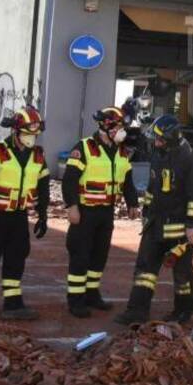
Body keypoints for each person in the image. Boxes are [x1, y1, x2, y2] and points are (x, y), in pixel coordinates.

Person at [115, 115, 193, 326]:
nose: (156, 142)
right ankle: (137, 311)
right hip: (155, 224)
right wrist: (146, 210)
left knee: (182, 274)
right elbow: (152, 187)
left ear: (172, 138)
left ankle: (186, 310)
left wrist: (192, 225)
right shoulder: (158, 156)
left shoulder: (189, 161)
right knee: (144, 269)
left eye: (160, 139)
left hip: (180, 229)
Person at [0, 106, 49, 321]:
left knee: (17, 259)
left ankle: (13, 305)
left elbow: (43, 187)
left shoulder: (38, 156)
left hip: (19, 217)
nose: (31, 138)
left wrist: (43, 215)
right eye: (27, 133)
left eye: (34, 134)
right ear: (16, 132)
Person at [62, 106, 141, 318]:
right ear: (105, 127)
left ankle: (91, 294)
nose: (121, 131)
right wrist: (72, 207)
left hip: (106, 212)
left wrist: (132, 203)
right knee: (80, 255)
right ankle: (76, 300)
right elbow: (69, 181)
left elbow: (127, 181)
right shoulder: (85, 148)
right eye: (117, 127)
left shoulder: (122, 152)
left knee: (99, 256)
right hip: (85, 212)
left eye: (122, 127)